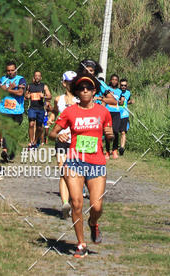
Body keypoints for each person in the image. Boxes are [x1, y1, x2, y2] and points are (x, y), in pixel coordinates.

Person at [49, 72, 113, 258]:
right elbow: (52, 133)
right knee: (76, 204)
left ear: (94, 91)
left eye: (89, 88)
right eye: (81, 88)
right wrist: (58, 135)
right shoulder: (70, 112)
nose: (85, 91)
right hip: (74, 162)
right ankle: (81, 244)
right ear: (77, 92)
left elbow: (109, 134)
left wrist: (110, 135)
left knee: (97, 206)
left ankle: (93, 223)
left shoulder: (103, 111)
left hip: (96, 163)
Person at [53, 70, 78, 219]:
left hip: (77, 141)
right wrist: (55, 129)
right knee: (63, 171)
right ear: (64, 83)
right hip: (61, 140)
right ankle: (64, 204)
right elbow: (54, 114)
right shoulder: (58, 99)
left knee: (74, 174)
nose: (72, 85)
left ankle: (74, 202)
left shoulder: (82, 99)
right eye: (69, 82)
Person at [0, 61, 27, 162]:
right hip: (4, 110)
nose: (10, 72)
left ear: (16, 70)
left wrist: (8, 90)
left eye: (12, 70)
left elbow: (20, 93)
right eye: (8, 71)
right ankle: (5, 150)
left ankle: (12, 150)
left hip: (17, 112)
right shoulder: (2, 80)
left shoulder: (21, 80)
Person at [25, 70, 52, 149]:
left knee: (39, 127)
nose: (37, 77)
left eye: (38, 76)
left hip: (40, 109)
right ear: (34, 77)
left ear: (41, 77)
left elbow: (50, 96)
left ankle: (35, 141)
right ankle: (31, 142)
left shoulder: (44, 86)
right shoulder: (30, 86)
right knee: (31, 124)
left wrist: (43, 96)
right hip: (32, 108)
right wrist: (28, 96)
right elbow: (26, 96)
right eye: (36, 76)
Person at [102, 74, 122, 159]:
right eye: (113, 79)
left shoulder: (119, 91)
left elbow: (121, 102)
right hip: (108, 112)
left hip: (117, 113)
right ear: (110, 80)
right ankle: (107, 151)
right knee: (107, 132)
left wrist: (121, 101)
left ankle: (114, 150)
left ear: (118, 81)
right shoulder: (107, 89)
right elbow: (104, 99)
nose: (114, 81)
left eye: (116, 80)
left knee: (116, 131)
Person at [117, 77, 132, 155]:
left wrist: (130, 102)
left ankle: (122, 148)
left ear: (127, 85)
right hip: (116, 113)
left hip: (125, 114)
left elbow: (127, 101)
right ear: (119, 85)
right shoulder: (116, 91)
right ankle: (114, 148)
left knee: (123, 132)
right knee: (115, 132)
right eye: (122, 85)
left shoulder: (128, 92)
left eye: (125, 85)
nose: (123, 87)